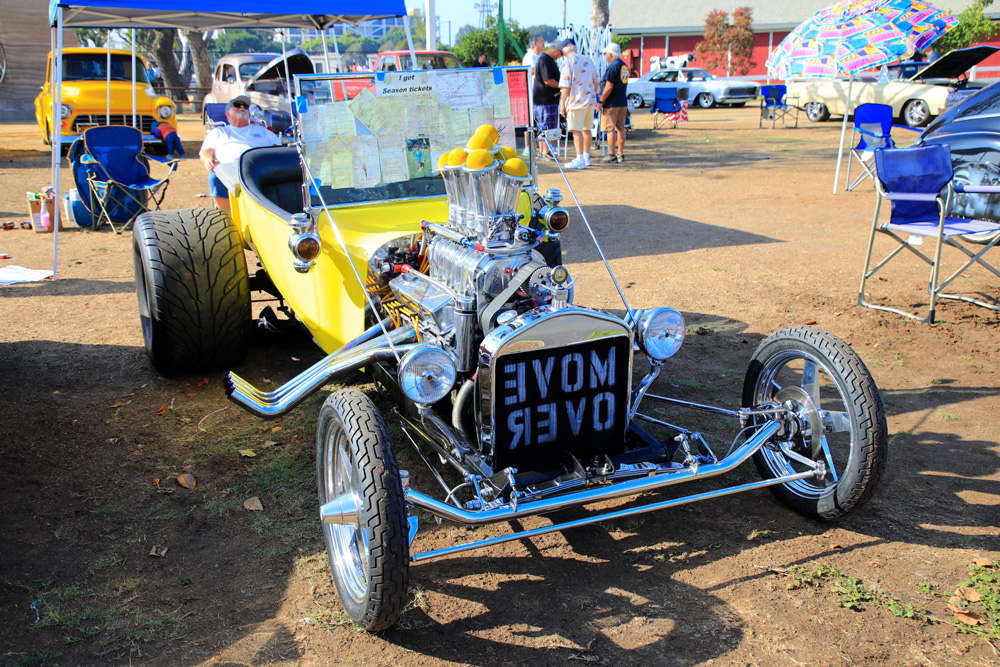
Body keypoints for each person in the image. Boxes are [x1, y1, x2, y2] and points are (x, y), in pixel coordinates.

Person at [199, 95, 281, 214]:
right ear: (228, 113)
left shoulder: (262, 131)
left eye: (245, 106)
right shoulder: (219, 132)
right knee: (214, 178)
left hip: (260, 168)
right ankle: (230, 216)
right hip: (230, 169)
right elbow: (206, 152)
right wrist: (207, 159)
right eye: (237, 105)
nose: (242, 107)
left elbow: (278, 149)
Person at [558, 40, 599, 170]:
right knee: (587, 129)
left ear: (564, 51)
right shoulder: (588, 60)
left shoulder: (568, 62)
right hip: (590, 100)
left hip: (576, 101)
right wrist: (592, 93)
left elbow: (565, 86)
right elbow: (596, 81)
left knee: (576, 130)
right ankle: (586, 157)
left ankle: (579, 158)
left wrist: (562, 104)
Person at [532, 40, 565, 161]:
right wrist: (562, 86)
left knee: (543, 127)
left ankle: (543, 151)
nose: (560, 57)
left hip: (544, 100)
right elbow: (548, 80)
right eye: (561, 54)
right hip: (545, 100)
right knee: (547, 127)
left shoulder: (545, 59)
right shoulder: (545, 60)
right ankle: (545, 151)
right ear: (557, 51)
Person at [597, 42, 629, 164]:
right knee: (621, 128)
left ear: (610, 54)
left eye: (606, 53)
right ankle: (620, 153)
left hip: (611, 103)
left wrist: (601, 101)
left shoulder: (612, 67)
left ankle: (611, 154)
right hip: (622, 101)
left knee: (610, 129)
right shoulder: (624, 66)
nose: (605, 55)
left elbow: (609, 86)